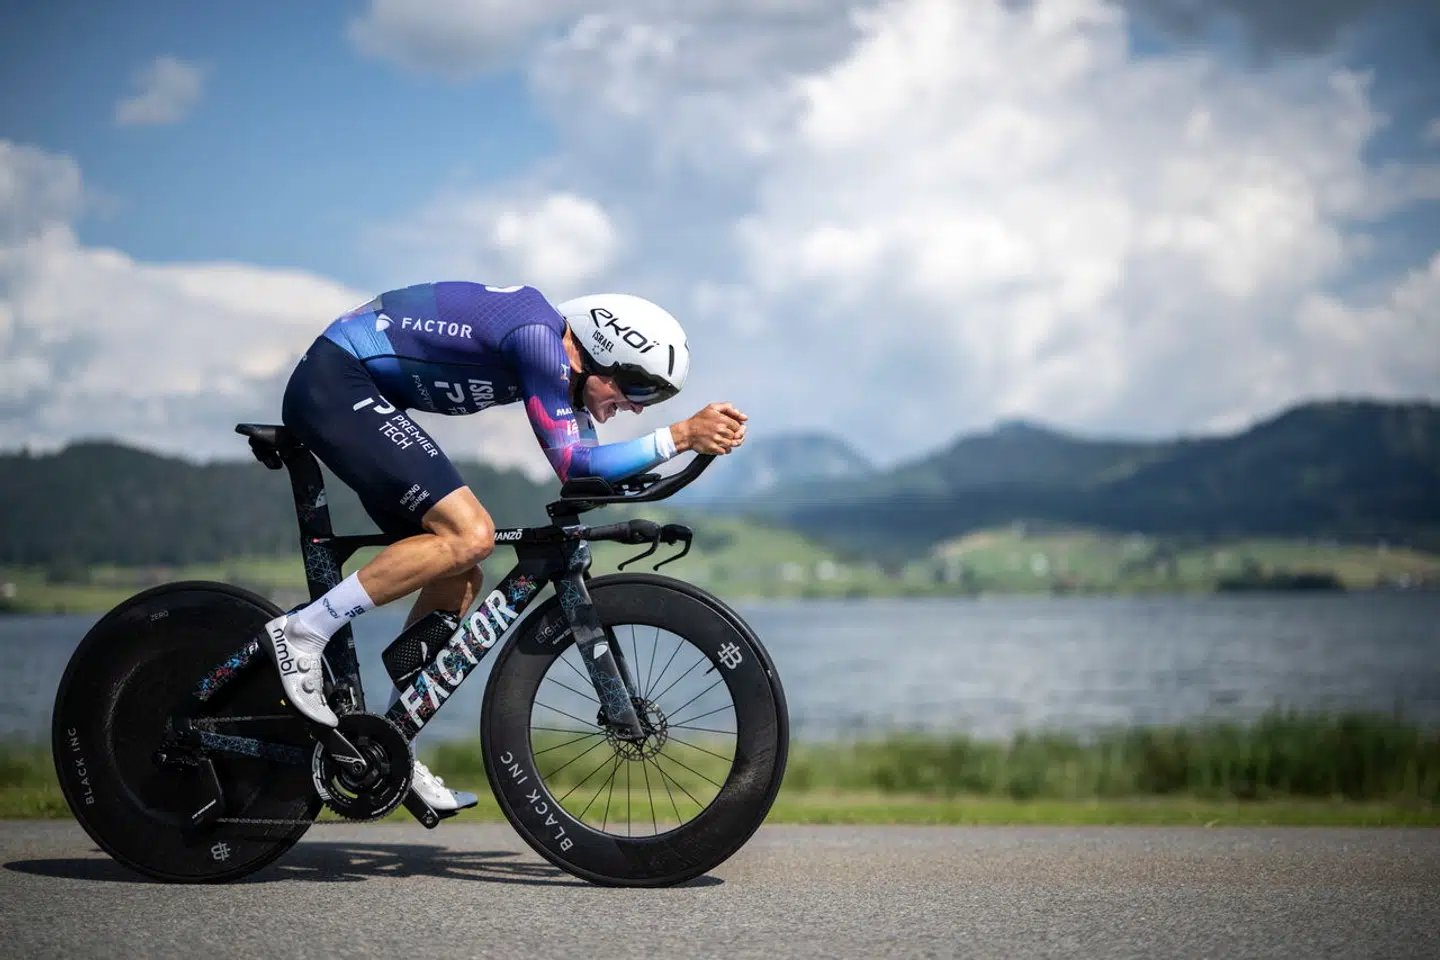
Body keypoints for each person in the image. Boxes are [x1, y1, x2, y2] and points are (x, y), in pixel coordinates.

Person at [265, 283, 747, 811]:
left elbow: (588, 472)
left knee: (459, 573)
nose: (635, 407)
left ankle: (393, 737)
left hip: (358, 391)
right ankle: (303, 631)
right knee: (470, 536)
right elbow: (576, 466)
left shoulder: (560, 369)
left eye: (650, 399)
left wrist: (662, 467)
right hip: (335, 380)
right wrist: (680, 436)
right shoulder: (538, 338)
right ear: (596, 352)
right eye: (636, 388)